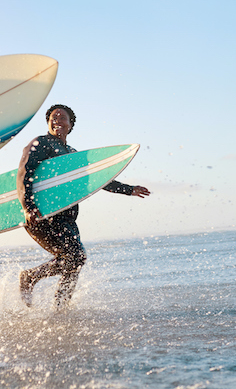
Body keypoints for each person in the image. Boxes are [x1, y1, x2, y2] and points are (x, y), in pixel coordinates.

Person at [17, 104, 150, 309]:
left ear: (70, 125)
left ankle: (60, 308)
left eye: (62, 118)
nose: (57, 120)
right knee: (76, 256)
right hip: (42, 215)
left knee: (74, 263)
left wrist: (128, 189)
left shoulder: (72, 154)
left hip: (67, 218)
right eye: (53, 117)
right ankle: (30, 277)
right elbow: (24, 173)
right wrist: (28, 206)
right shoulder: (40, 143)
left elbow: (97, 179)